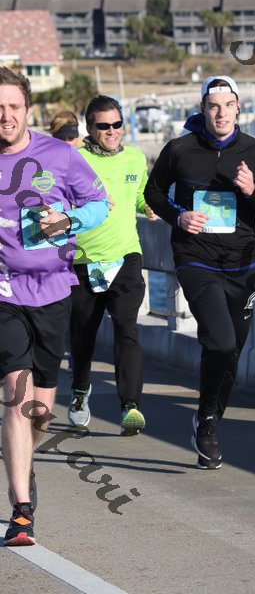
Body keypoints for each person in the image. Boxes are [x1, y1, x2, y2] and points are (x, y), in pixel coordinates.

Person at [144, 75, 255, 469]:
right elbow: (153, 192)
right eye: (213, 106)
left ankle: (208, 419)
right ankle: (207, 422)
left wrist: (252, 190)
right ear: (202, 109)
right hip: (196, 260)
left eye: (227, 105)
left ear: (238, 108)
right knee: (219, 342)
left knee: (232, 350)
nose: (220, 113)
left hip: (243, 265)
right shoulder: (180, 149)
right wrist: (178, 216)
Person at [0, 66, 109, 546]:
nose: (5, 116)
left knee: (41, 411)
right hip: (3, 294)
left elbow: (99, 204)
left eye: (13, 106)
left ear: (28, 109)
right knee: (17, 395)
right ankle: (21, 510)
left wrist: (68, 219)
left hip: (54, 291)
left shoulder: (60, 155)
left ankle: (23, 460)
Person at [68, 95, 156, 437]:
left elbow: (141, 193)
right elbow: (57, 201)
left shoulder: (135, 157)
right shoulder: (75, 160)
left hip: (125, 257)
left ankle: (130, 405)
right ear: (90, 128)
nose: (112, 131)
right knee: (83, 334)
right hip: (84, 259)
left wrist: (150, 205)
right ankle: (80, 392)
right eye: (103, 126)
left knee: (126, 327)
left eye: (117, 124)